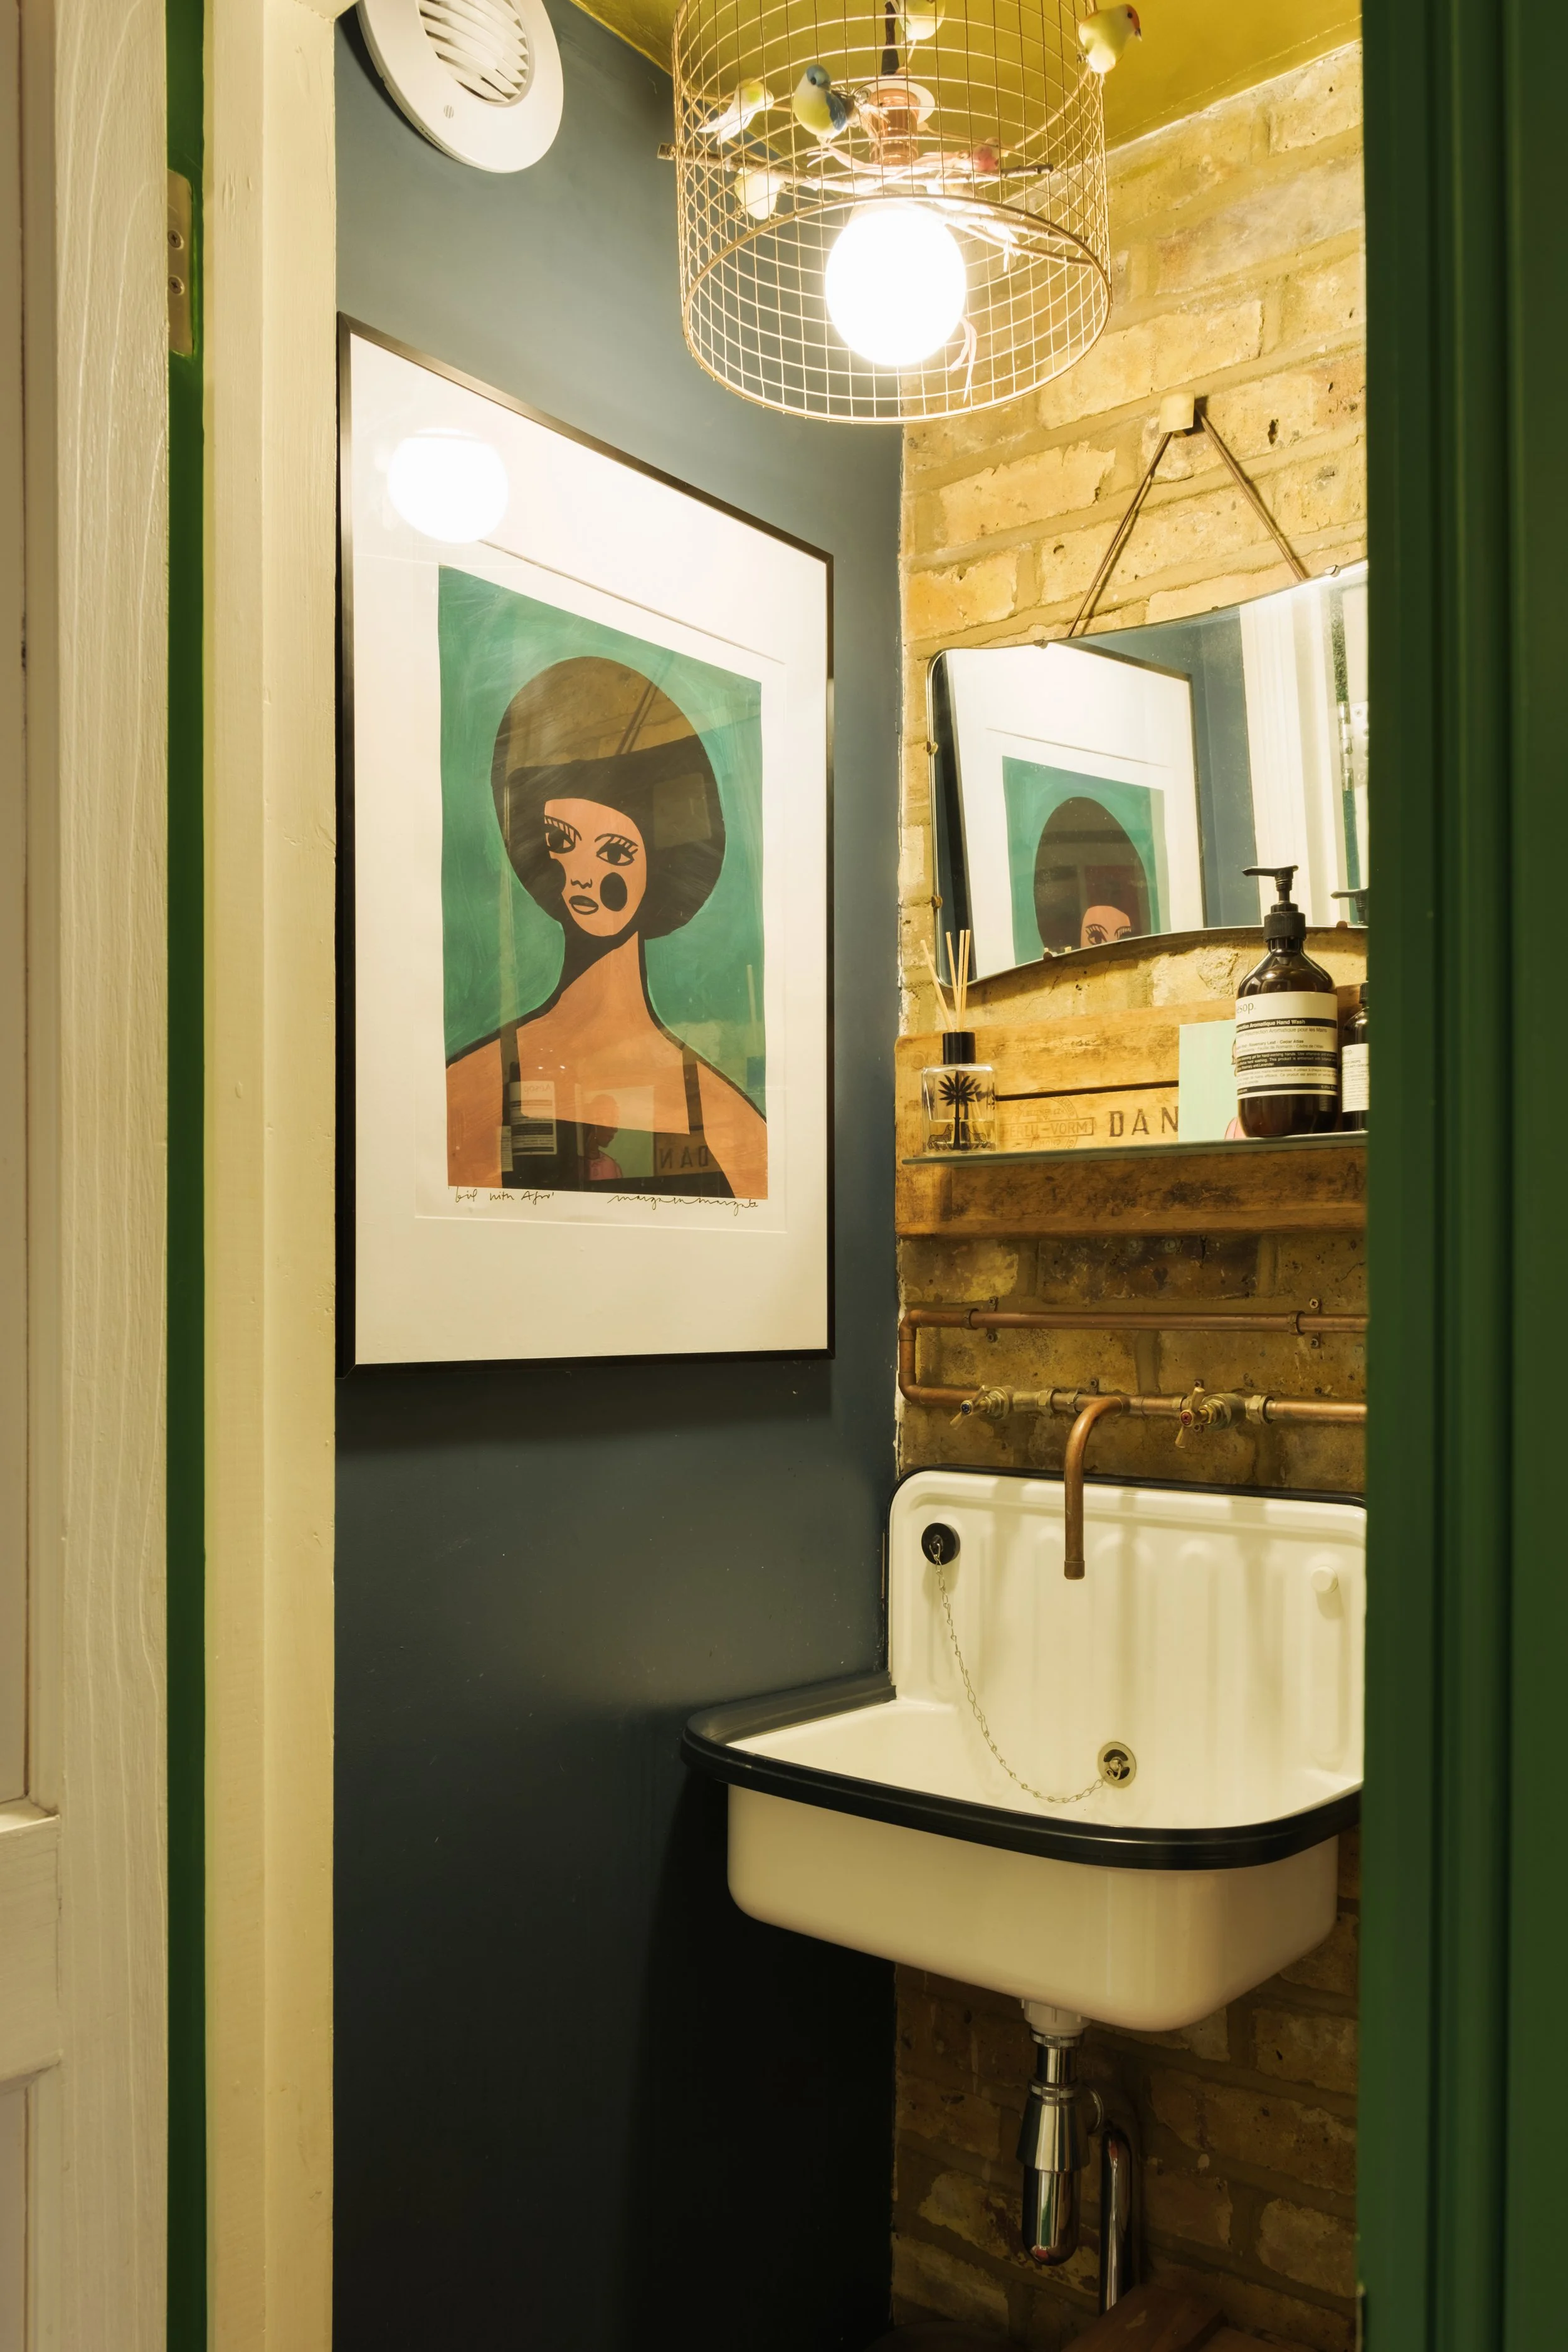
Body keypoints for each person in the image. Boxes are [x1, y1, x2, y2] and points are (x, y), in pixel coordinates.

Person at [445, 656, 768, 1200]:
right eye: (562, 842)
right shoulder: (478, 1085)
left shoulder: (716, 1109)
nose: (583, 877)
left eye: (614, 851)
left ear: (659, 866)